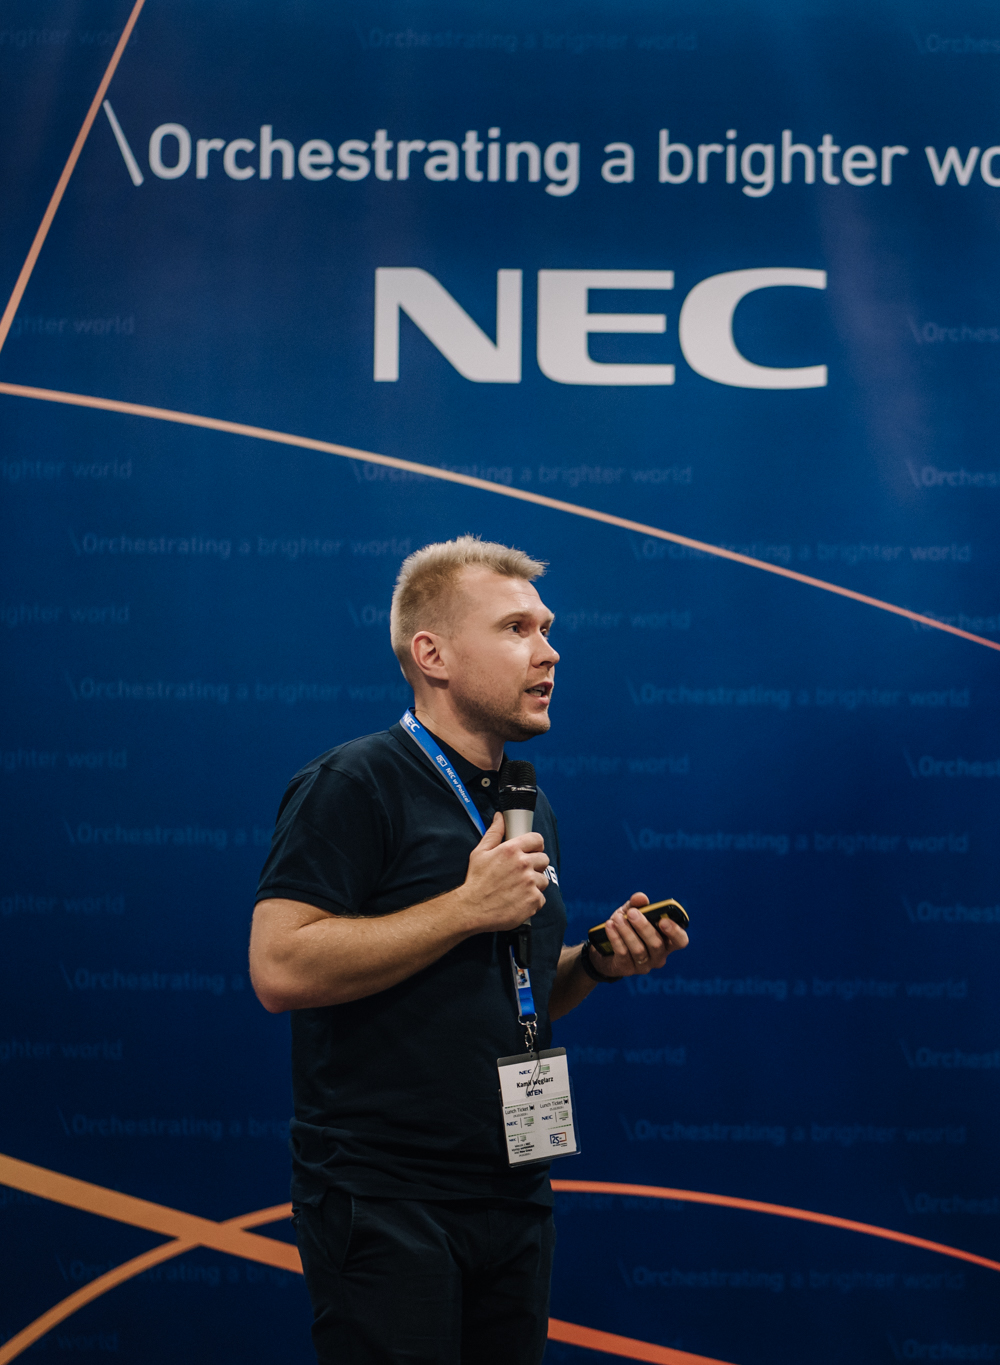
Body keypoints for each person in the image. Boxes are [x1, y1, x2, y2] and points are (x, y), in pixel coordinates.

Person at [248, 535, 688, 1365]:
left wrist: (595, 963)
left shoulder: (527, 805)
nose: (549, 651)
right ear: (433, 655)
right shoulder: (354, 782)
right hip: (386, 1196)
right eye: (517, 628)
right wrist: (462, 908)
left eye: (547, 628)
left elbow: (514, 986)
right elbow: (278, 968)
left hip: (515, 1186)